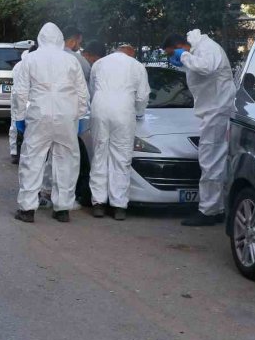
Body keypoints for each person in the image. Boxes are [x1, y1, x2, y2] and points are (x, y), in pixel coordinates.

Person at [12, 23, 89, 223]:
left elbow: (20, 92)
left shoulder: (30, 59)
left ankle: (27, 209)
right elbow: (82, 92)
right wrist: (80, 116)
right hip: (66, 116)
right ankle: (62, 208)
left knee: (32, 160)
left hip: (39, 114)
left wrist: (19, 117)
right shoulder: (71, 61)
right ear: (60, 39)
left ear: (40, 39)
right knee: (67, 162)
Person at [163, 30, 236, 226]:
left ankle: (209, 211)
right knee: (215, 161)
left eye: (172, 54)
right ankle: (217, 207)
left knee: (210, 161)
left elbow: (207, 67)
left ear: (180, 46)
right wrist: (185, 58)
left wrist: (184, 56)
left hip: (217, 110)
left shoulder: (206, 48)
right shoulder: (198, 49)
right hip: (213, 110)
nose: (173, 59)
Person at [87, 41, 150, 221]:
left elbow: (93, 89)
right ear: (130, 53)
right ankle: (119, 206)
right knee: (121, 158)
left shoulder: (99, 63)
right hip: (123, 112)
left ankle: (98, 203)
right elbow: (142, 96)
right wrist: (138, 112)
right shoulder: (137, 66)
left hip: (99, 110)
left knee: (99, 155)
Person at [8, 42, 38, 164]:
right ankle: (15, 152)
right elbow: (19, 87)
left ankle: (24, 152)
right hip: (20, 99)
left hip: (30, 99)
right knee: (16, 126)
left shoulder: (35, 65)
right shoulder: (21, 66)